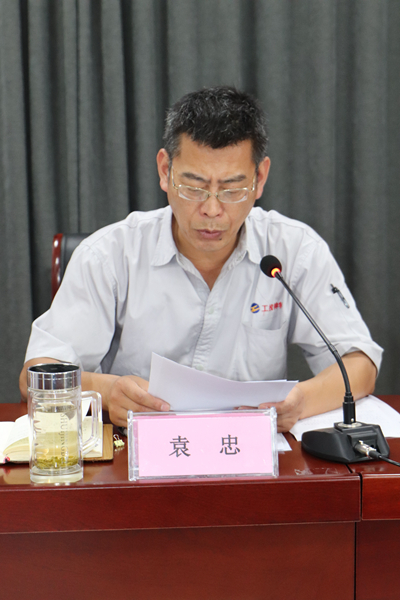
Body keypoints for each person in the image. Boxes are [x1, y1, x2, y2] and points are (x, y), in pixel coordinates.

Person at [19, 86, 382, 432]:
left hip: (252, 455)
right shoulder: (110, 254)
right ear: (165, 171)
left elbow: (360, 364)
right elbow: (35, 377)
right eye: (194, 187)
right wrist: (107, 391)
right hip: (137, 453)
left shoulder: (294, 251)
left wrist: (301, 402)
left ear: (259, 179)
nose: (211, 209)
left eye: (232, 189)